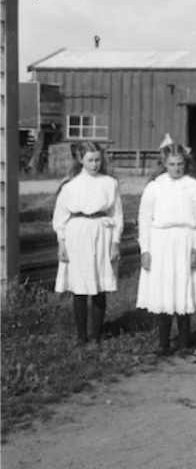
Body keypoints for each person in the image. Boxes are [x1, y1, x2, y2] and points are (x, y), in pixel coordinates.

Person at [136, 135, 196, 363]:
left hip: (186, 241)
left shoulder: (194, 186)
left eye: (180, 164)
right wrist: (145, 250)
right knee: (163, 291)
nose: (176, 169)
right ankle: (162, 345)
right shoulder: (154, 187)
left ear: (186, 164)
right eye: (172, 164)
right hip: (161, 243)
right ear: (164, 164)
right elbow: (144, 218)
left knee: (183, 290)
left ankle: (184, 346)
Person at [53, 141, 124, 347]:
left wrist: (115, 243)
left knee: (99, 285)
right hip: (78, 234)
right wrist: (62, 243)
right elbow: (59, 218)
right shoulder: (70, 186)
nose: (94, 164)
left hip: (102, 232)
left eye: (97, 160)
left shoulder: (109, 183)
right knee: (80, 286)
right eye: (90, 160)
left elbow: (117, 214)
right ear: (80, 160)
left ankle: (96, 335)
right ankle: (81, 336)